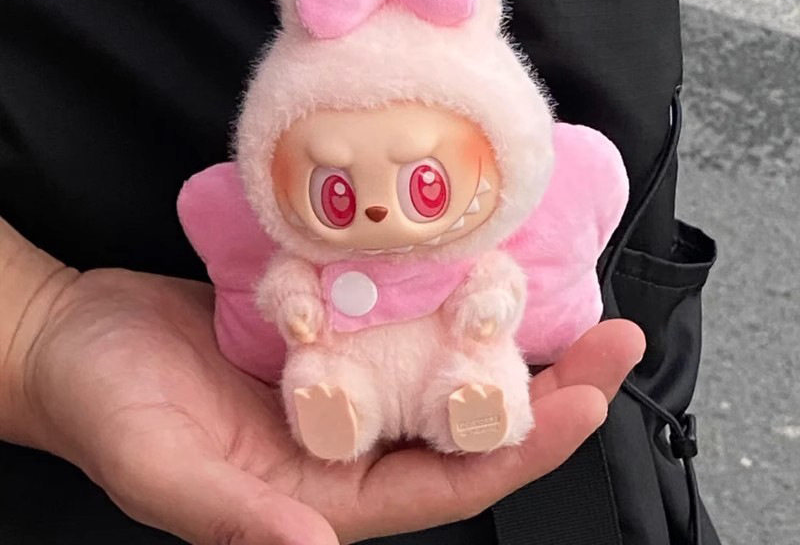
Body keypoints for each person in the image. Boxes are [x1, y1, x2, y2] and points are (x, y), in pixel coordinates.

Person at [0, 216, 644, 544]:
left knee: (483, 366)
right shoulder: (302, 242)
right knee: (319, 372)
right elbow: (284, 284)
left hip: (533, 390)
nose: (378, 209)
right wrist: (32, 321)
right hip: (209, 390)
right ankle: (338, 416)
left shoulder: (476, 238)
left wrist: (488, 307)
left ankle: (470, 410)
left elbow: (499, 280)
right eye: (339, 190)